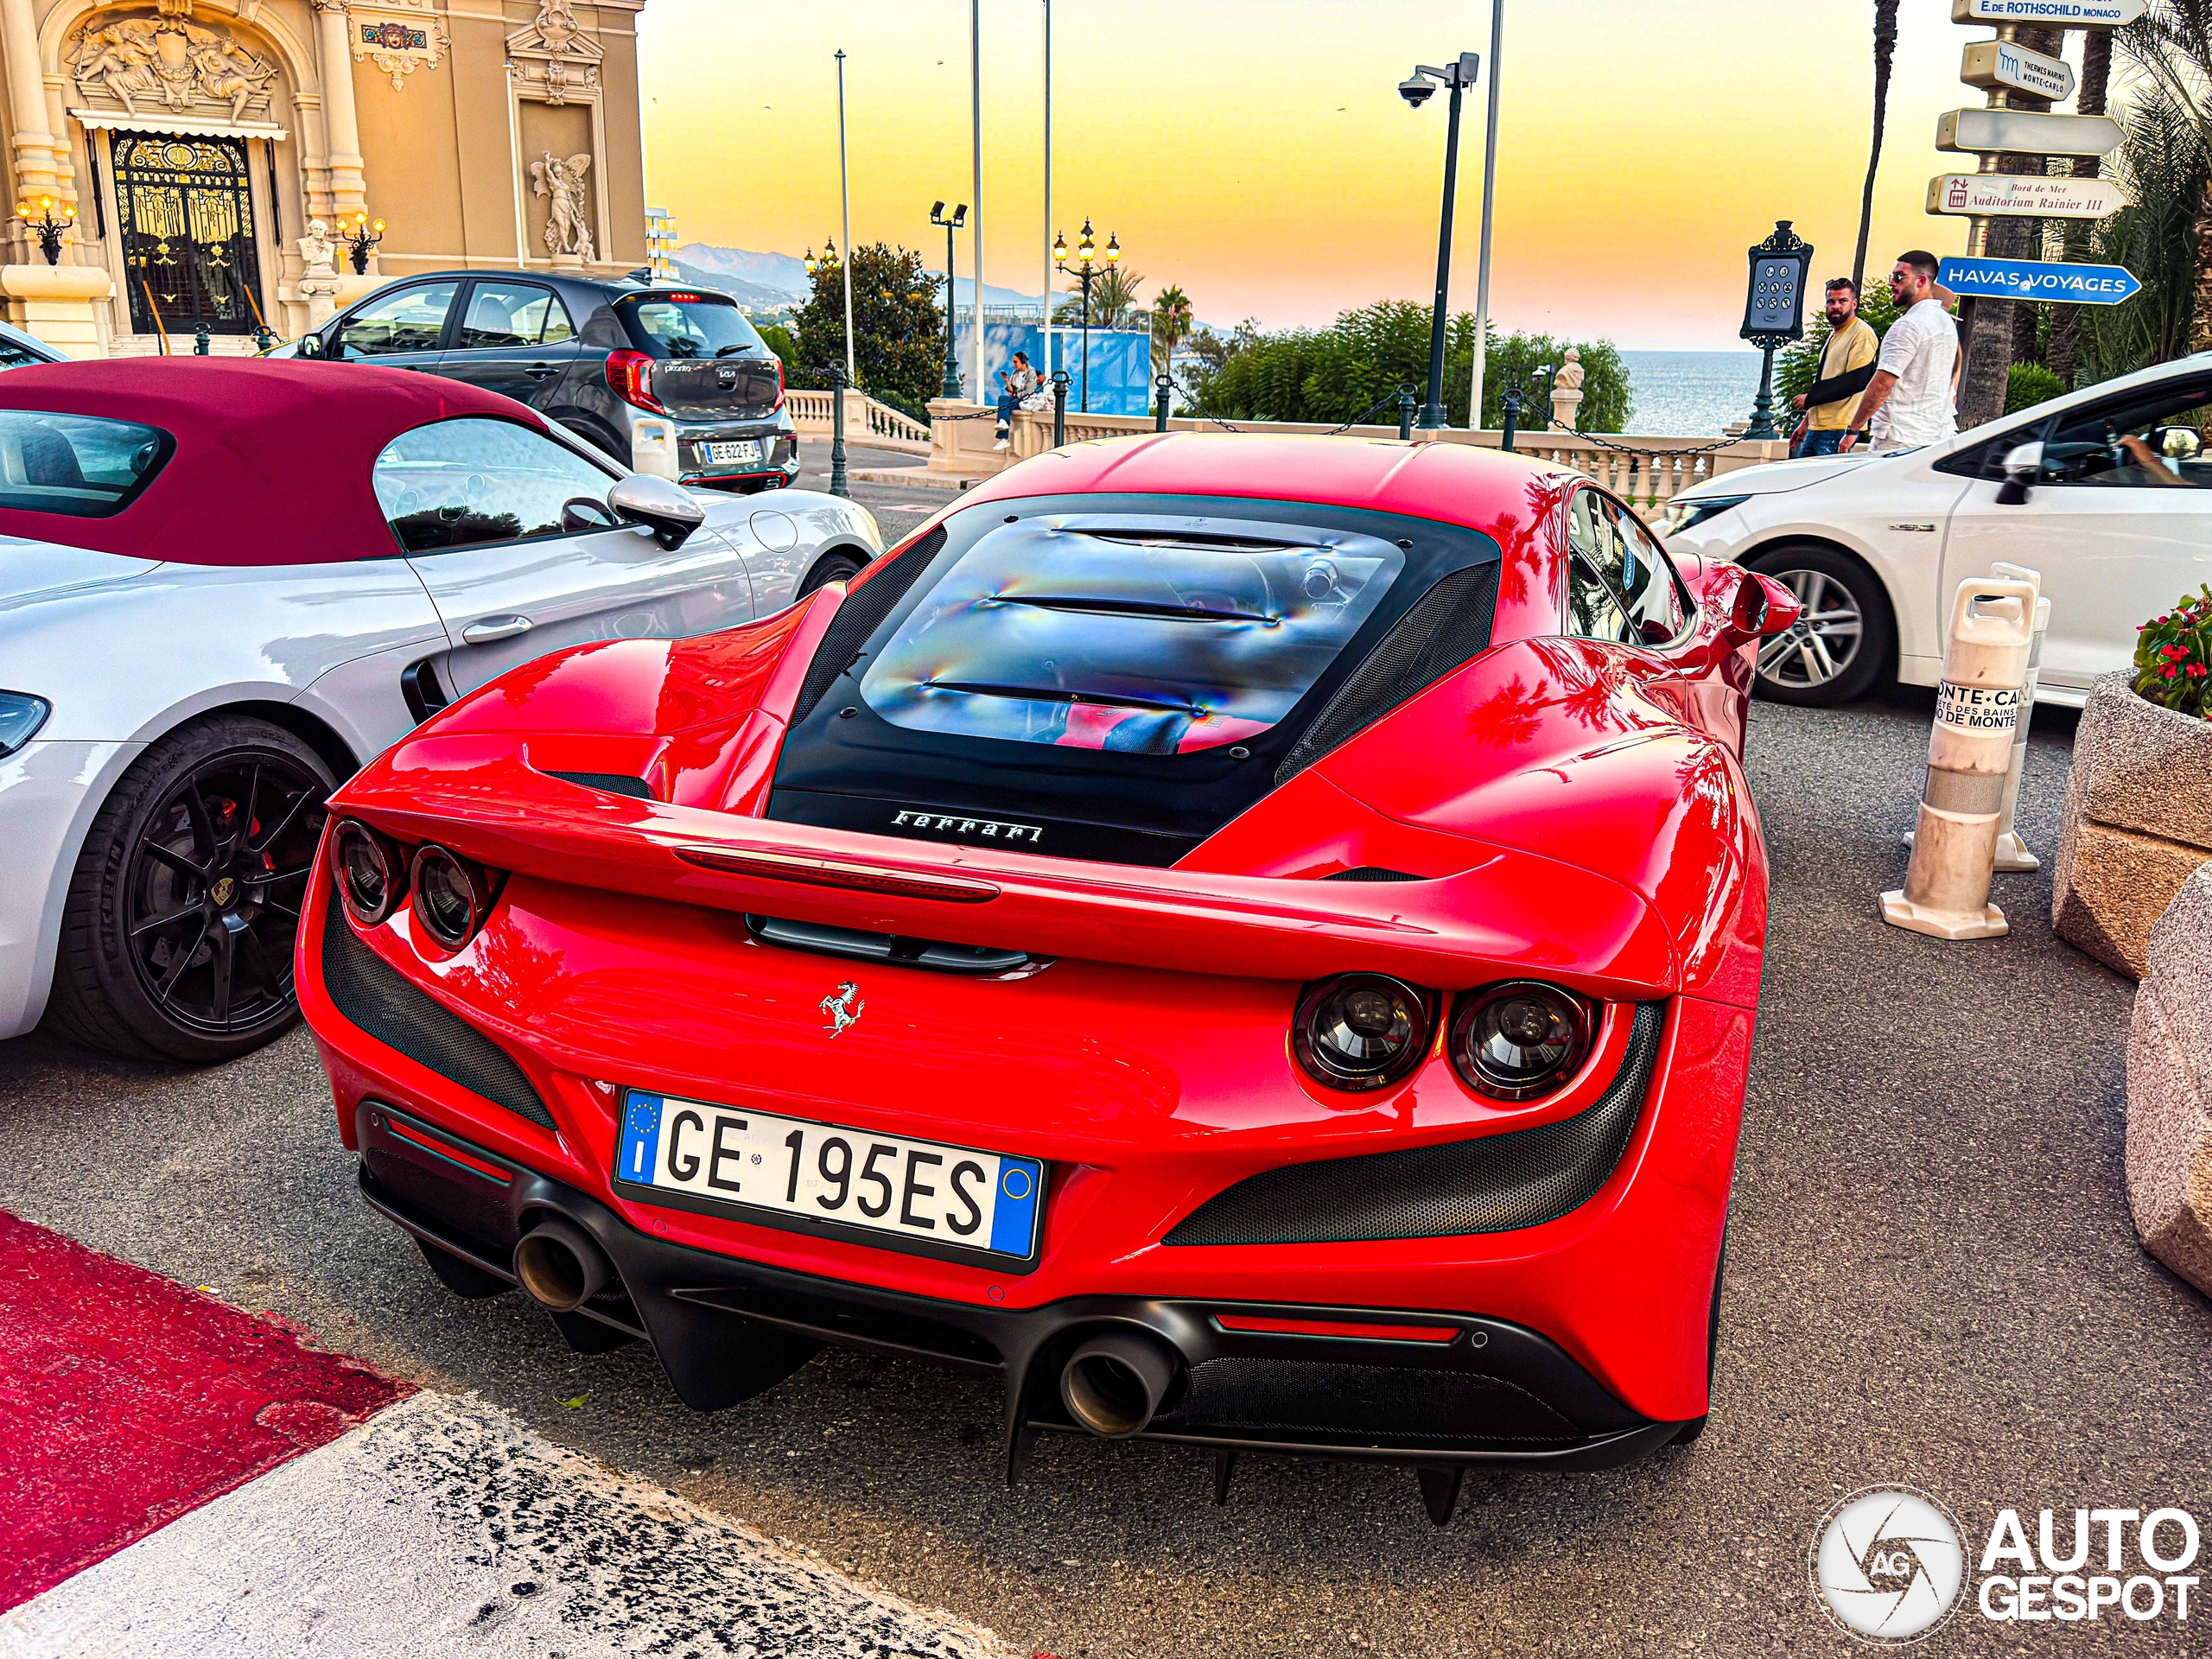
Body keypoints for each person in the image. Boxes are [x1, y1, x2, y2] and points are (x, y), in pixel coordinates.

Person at [1851, 251, 1960, 451]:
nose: (1892, 282)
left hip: (1898, 440)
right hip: (1936, 438)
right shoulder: (1947, 324)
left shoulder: (1908, 326)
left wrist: (1853, 429)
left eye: (1899, 276)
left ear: (1921, 281)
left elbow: (1882, 385)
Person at [1790, 277, 1879, 456]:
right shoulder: (1835, 335)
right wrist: (1806, 422)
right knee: (1804, 483)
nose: (1836, 306)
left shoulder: (1861, 333)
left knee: (1823, 482)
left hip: (1838, 428)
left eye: (1842, 301)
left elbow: (1857, 381)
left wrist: (1810, 399)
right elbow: (1826, 379)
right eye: (1831, 301)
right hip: (1818, 428)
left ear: (1854, 304)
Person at [993, 351, 1039, 450]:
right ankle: (1003, 422)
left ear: (1022, 361)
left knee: (1006, 406)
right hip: (1016, 398)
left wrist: (1016, 394)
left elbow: (1029, 392)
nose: (1014, 365)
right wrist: (1006, 381)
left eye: (1015, 362)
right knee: (1003, 398)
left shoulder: (1031, 372)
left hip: (1025, 400)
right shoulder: (1015, 373)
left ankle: (1004, 437)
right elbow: (1011, 390)